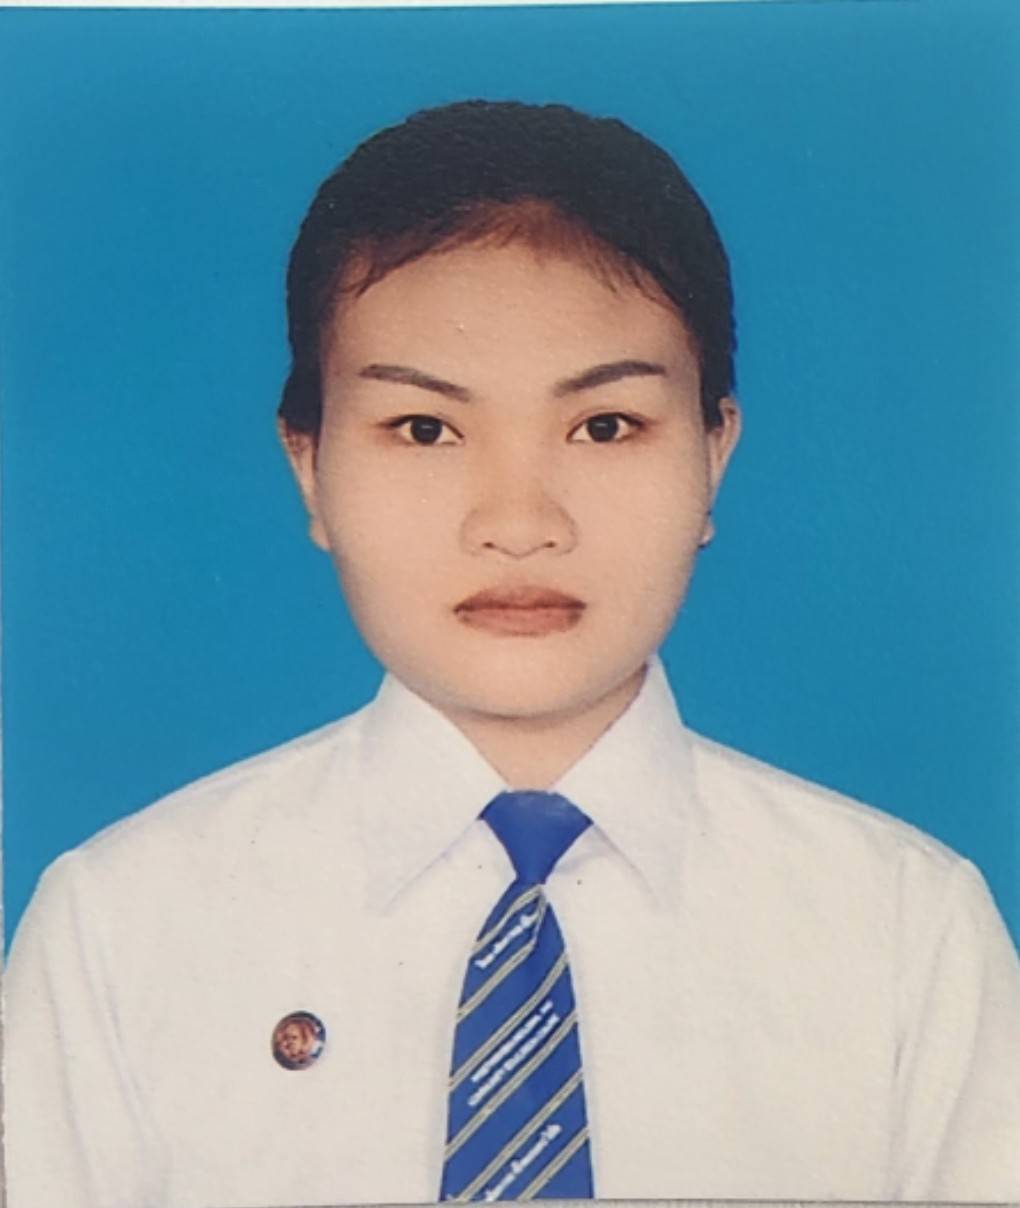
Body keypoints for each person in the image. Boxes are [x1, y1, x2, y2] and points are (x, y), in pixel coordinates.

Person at [5, 100, 1020, 1207]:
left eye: (605, 426)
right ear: (309, 466)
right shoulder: (121, 926)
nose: (520, 521)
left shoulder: (905, 932)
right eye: (425, 429)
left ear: (714, 453)